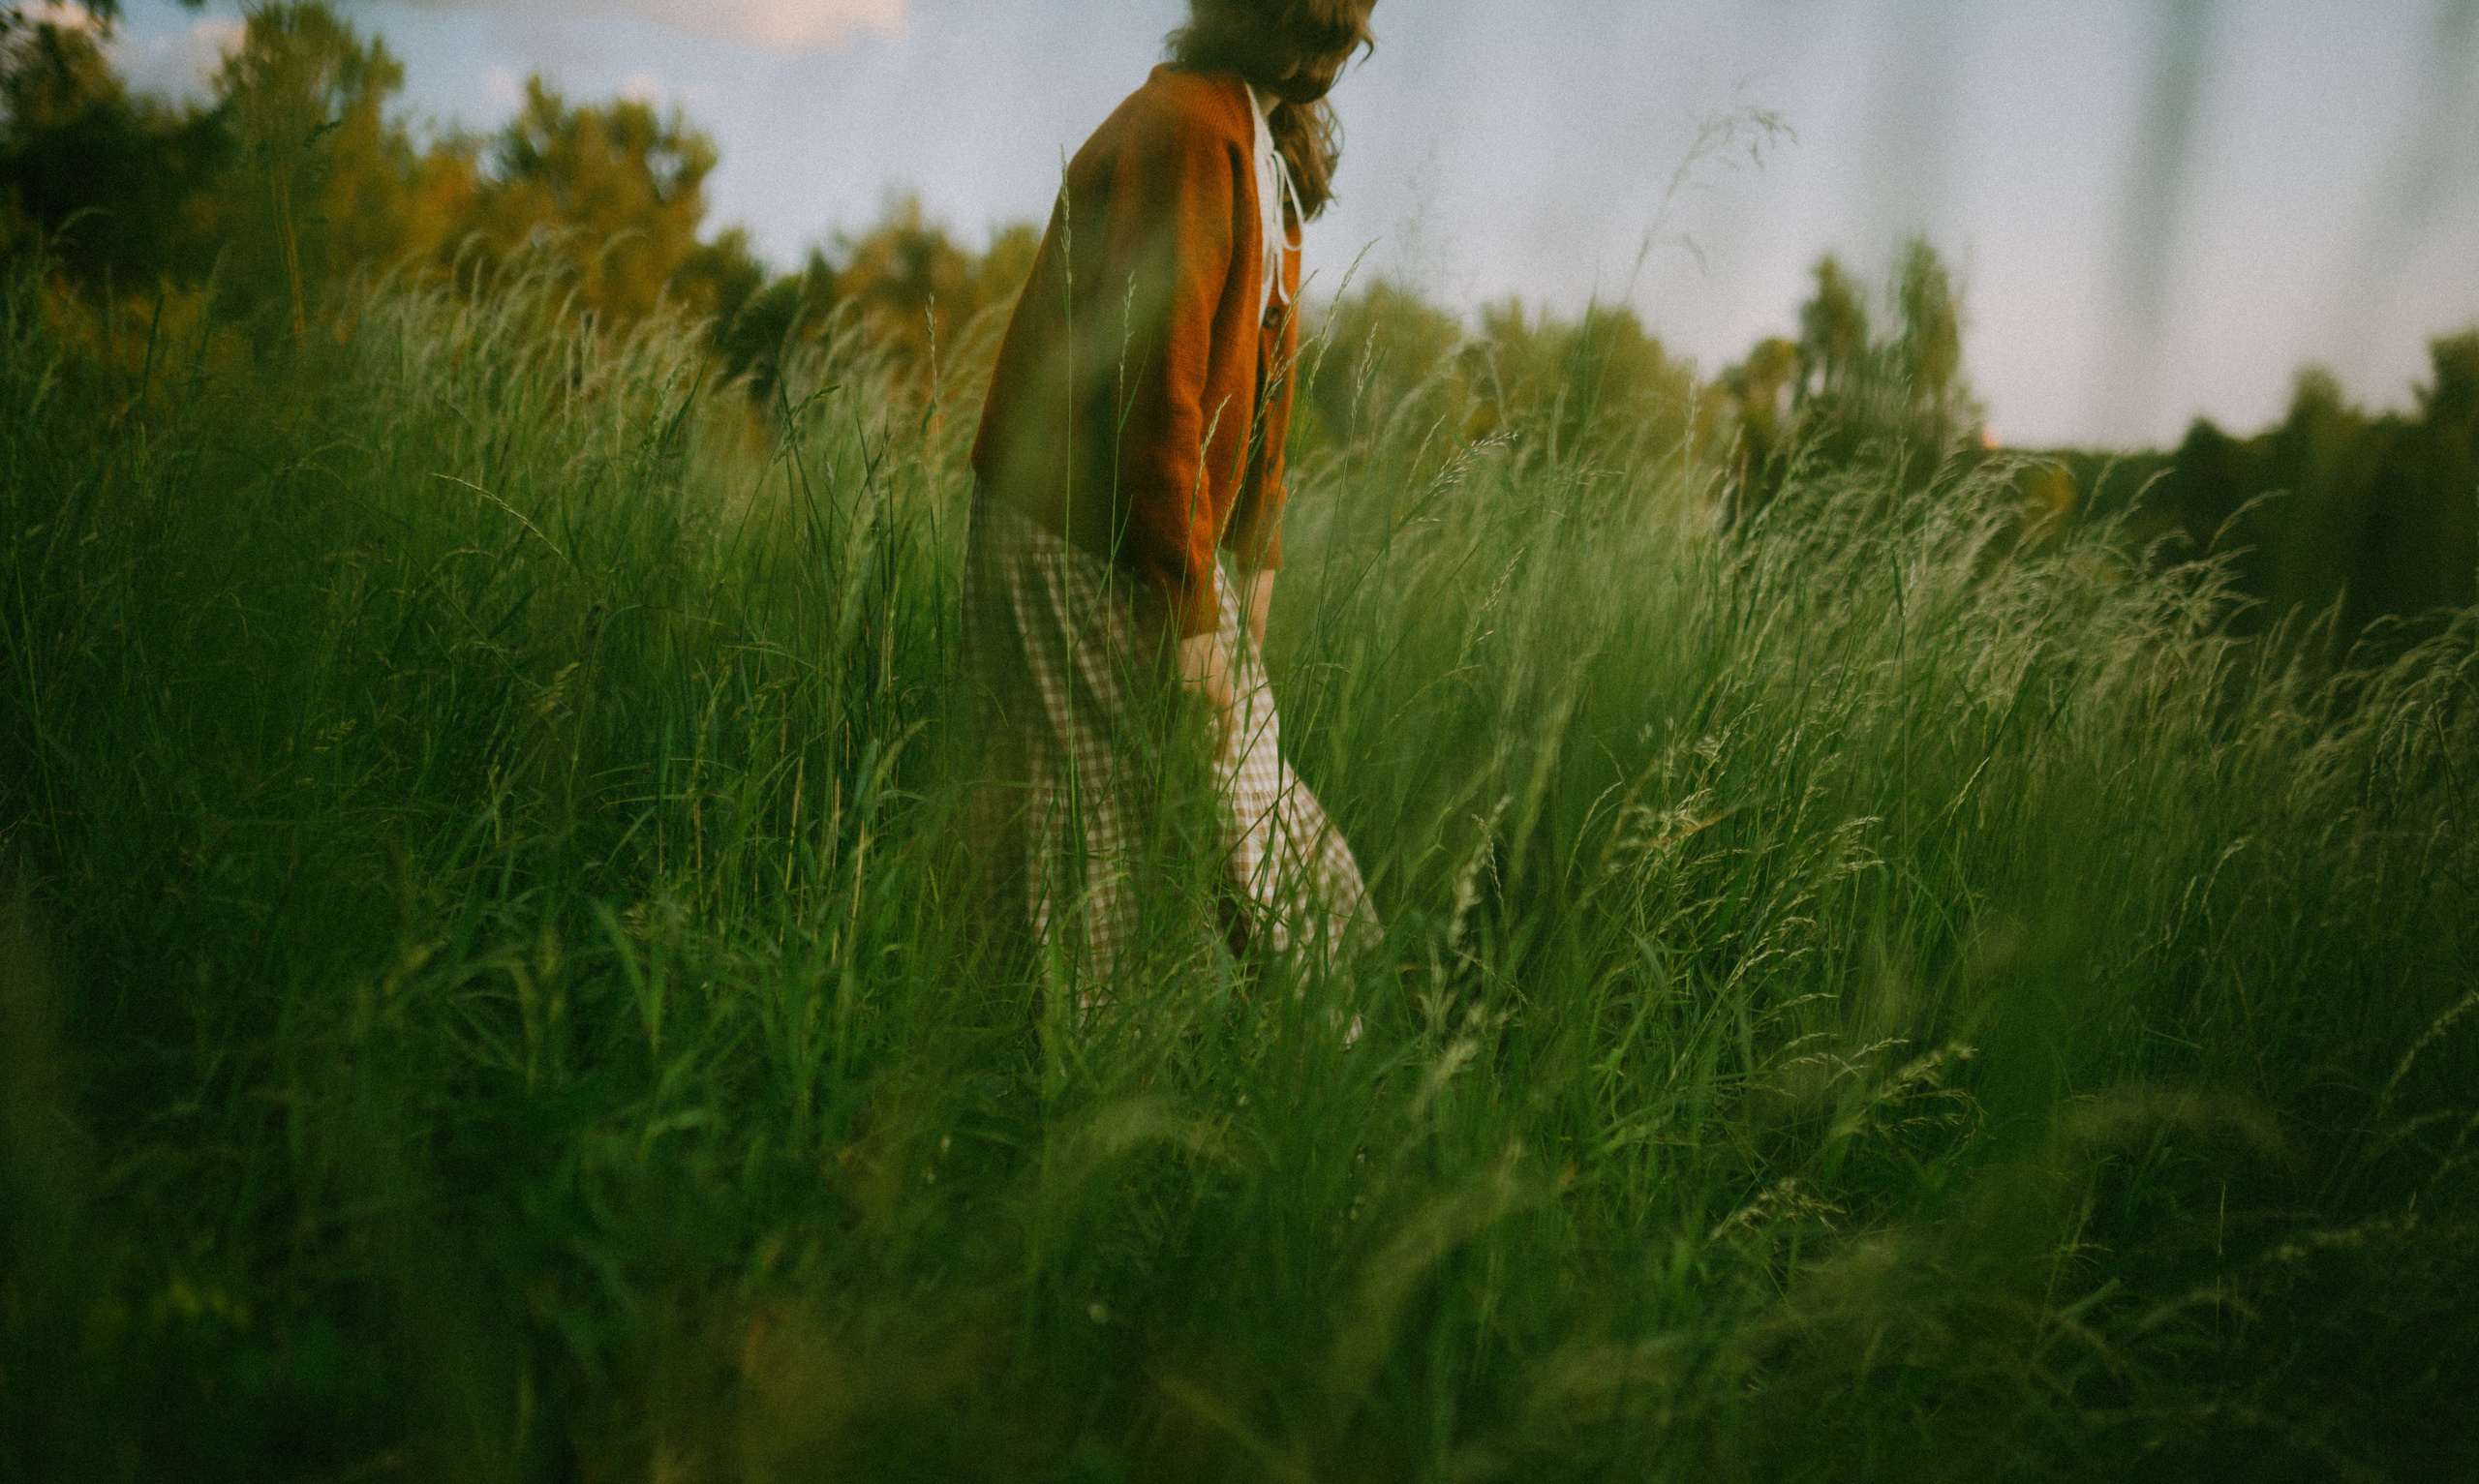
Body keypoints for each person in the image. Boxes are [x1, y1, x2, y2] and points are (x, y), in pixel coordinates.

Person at [964, 0, 1381, 986]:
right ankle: (1105, 1067)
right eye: (1313, 23)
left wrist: (1258, 549)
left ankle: (1329, 1027)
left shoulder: (1255, 136)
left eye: (1345, 32)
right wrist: (1191, 610)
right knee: (1114, 805)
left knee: (1221, 784)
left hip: (1145, 532)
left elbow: (1268, 373)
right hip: (1071, 524)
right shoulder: (1190, 131)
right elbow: (1158, 387)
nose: (1329, 52)